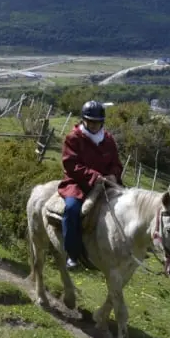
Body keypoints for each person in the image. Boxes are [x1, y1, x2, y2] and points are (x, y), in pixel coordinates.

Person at [58, 100, 123, 270]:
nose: (94, 125)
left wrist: (113, 175)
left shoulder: (108, 140)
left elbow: (116, 163)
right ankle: (72, 254)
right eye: (91, 121)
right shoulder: (73, 138)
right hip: (79, 183)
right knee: (71, 210)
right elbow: (70, 165)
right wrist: (94, 176)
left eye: (98, 122)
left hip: (107, 184)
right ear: (83, 120)